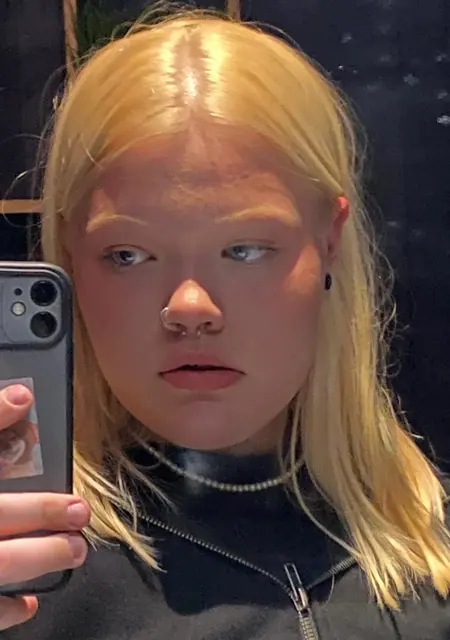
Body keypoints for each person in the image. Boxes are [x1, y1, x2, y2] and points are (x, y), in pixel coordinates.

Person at [1, 7, 450, 639]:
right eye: (128, 255)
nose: (190, 307)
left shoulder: (429, 539)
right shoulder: (27, 570)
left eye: (244, 249)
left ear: (329, 240)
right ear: (70, 254)